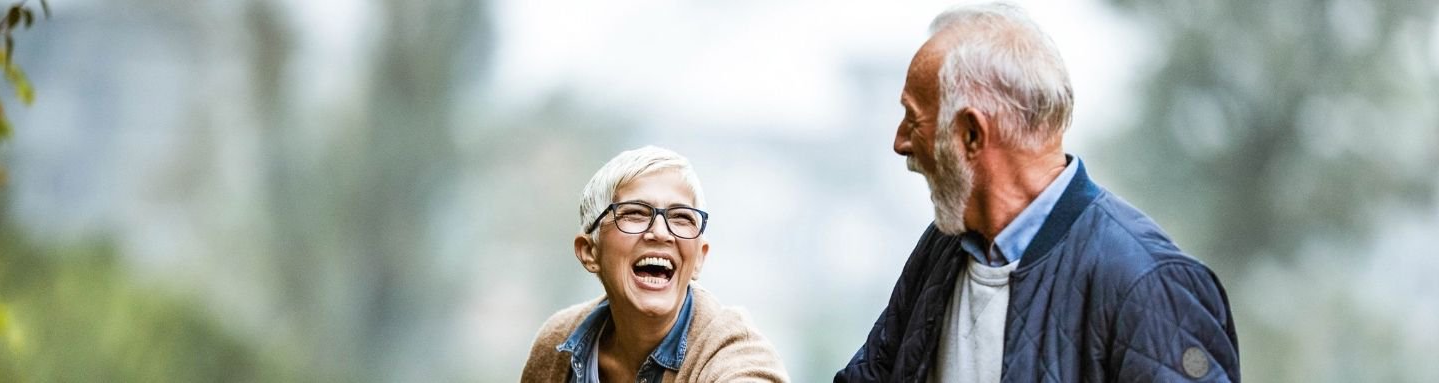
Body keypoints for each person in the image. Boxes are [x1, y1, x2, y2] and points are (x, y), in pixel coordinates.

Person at [836, 2, 1240, 382]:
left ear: (971, 134)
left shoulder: (1151, 285)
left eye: (913, 118)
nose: (900, 141)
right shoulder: (941, 250)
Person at [522, 146, 789, 383]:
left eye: (682, 217)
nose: (661, 233)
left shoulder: (735, 354)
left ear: (699, 258)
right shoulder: (556, 343)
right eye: (635, 213)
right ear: (590, 252)